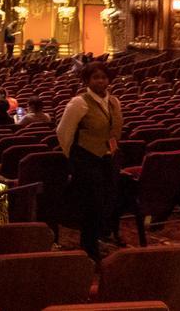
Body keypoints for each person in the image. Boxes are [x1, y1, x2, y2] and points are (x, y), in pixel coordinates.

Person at [57, 62, 123, 262]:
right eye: (95, 77)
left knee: (106, 201)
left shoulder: (114, 101)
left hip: (108, 157)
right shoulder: (79, 103)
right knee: (91, 205)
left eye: (103, 77)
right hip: (86, 159)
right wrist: (73, 157)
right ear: (86, 80)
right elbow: (63, 132)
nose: (100, 81)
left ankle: (98, 239)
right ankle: (89, 248)